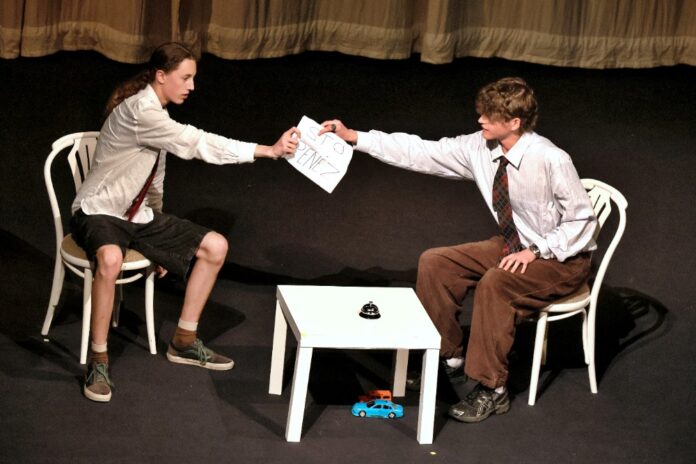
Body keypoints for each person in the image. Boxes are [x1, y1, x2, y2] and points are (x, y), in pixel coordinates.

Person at [319, 77, 597, 423]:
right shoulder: (480, 147)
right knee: (437, 262)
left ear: (514, 122)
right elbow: (422, 151)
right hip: (515, 244)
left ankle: (493, 388)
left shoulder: (550, 158)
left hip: (562, 258)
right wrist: (354, 137)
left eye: (489, 116)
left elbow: (582, 222)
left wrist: (537, 250)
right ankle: (450, 356)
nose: (480, 120)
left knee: (496, 282)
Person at [71, 42, 300, 402]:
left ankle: (184, 340)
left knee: (216, 246)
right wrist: (266, 151)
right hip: (99, 211)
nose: (192, 86)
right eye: (186, 77)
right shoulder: (142, 112)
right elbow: (195, 142)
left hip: (136, 216)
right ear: (161, 76)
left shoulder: (157, 116)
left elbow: (154, 181)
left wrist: (158, 243)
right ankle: (98, 360)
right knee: (111, 258)